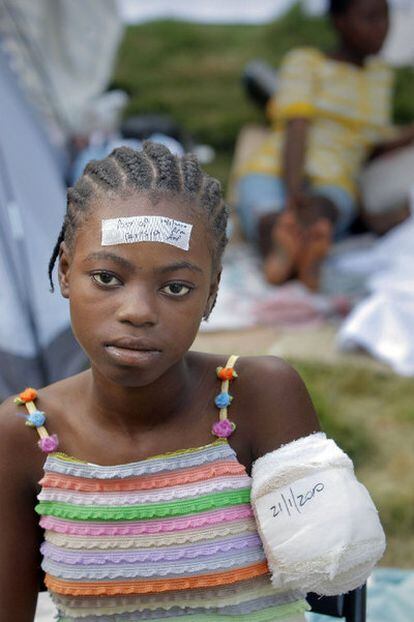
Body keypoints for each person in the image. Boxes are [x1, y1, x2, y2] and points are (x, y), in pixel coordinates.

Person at [0, 142, 385, 621]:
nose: (137, 311)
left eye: (176, 288)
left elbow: (335, 563)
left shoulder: (258, 396)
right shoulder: (23, 433)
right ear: (64, 271)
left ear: (212, 293)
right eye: (106, 277)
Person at [236, 0, 414, 290]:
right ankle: (287, 254)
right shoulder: (305, 61)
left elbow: (372, 142)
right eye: (370, 18)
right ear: (339, 22)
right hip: (275, 166)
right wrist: (294, 191)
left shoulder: (381, 75)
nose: (382, 28)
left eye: (385, 18)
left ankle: (290, 256)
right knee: (270, 217)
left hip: (336, 178)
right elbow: (297, 127)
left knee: (322, 209)